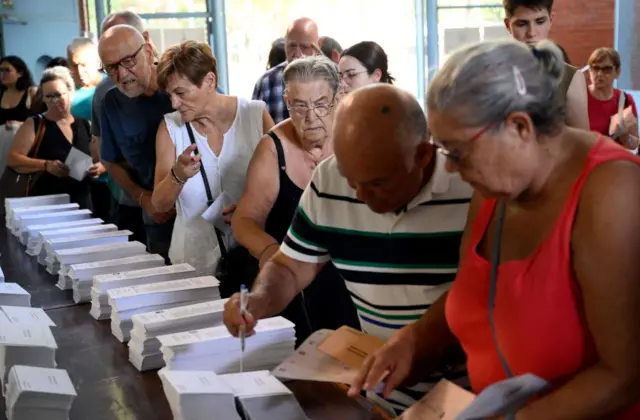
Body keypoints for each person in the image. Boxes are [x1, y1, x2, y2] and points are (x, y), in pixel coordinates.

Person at [351, 39, 640, 419]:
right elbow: (480, 293)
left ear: (519, 127)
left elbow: (626, 372)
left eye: (457, 152)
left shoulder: (611, 194)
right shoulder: (495, 186)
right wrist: (415, 340)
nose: (451, 169)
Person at [224, 83, 472, 411]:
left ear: (423, 155)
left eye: (376, 184)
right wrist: (258, 300)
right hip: (378, 392)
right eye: (350, 179)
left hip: (466, 396)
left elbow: (486, 298)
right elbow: (290, 266)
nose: (358, 196)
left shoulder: (470, 190)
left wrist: (424, 348)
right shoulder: (329, 180)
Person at [232, 55, 360, 344]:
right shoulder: (273, 148)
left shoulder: (355, 140)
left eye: (320, 103)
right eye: (299, 105)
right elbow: (244, 219)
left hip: (351, 284)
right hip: (289, 284)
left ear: (339, 97)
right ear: (286, 101)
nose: (310, 116)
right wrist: (269, 252)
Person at [152, 40, 273, 276]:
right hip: (192, 265)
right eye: (170, 95)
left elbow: (284, 184)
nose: (175, 103)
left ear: (209, 81)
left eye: (181, 93)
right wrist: (178, 175)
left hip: (251, 259)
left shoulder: (255, 116)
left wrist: (252, 208)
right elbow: (159, 205)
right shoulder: (170, 128)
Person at [98, 24, 175, 260]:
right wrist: (144, 198)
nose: (121, 75)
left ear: (149, 51)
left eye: (128, 61)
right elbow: (111, 161)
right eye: (111, 68)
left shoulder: (184, 83)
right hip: (158, 219)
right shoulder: (111, 103)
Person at [7, 66, 100, 209]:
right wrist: (45, 165)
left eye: (58, 95)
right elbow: (13, 159)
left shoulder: (84, 124)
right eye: (48, 96)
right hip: (47, 205)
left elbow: (102, 157)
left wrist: (99, 168)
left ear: (70, 92)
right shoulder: (35, 124)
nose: (53, 101)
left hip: (82, 203)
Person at [502, 0, 589, 130]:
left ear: (551, 20)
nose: (531, 33)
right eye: (522, 24)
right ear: (508, 25)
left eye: (540, 22)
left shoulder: (570, 77)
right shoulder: (493, 74)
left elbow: (582, 144)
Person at [252, 17, 322, 123]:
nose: (298, 54)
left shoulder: (330, 81)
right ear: (285, 45)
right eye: (292, 46)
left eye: (305, 47)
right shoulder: (267, 82)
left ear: (318, 47)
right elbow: (254, 129)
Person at [587, 47, 638, 150]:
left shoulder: (625, 100)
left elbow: (635, 144)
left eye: (607, 69)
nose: (600, 74)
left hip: (612, 162)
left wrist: (625, 137)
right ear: (589, 71)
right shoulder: (579, 96)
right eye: (595, 68)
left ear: (617, 72)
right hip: (584, 160)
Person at [0, 56, 36, 129]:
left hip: (26, 137)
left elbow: (44, 121)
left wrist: (21, 124)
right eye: (0, 70)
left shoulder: (31, 92)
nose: (3, 74)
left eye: (7, 70)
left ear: (20, 73)